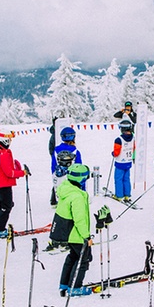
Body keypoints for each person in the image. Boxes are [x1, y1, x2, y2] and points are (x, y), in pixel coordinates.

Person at [49, 164, 94, 296]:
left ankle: (64, 283)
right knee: (83, 259)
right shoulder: (77, 196)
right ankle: (75, 287)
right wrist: (86, 236)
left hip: (68, 234)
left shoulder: (66, 189)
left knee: (73, 257)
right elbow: (79, 219)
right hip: (76, 235)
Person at [0, 132, 29, 239]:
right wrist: (22, 172)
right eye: (9, 139)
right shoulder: (3, 153)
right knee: (6, 205)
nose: (10, 141)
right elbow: (9, 172)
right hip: (3, 183)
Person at [51, 126, 82, 205]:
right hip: (71, 179)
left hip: (58, 178)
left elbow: (53, 165)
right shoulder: (75, 151)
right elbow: (79, 168)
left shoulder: (56, 150)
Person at [111, 120, 135, 201]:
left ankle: (119, 195)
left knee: (118, 179)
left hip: (120, 162)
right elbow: (134, 148)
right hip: (128, 162)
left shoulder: (119, 139)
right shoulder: (133, 138)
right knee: (126, 179)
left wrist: (113, 153)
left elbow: (116, 153)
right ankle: (127, 194)